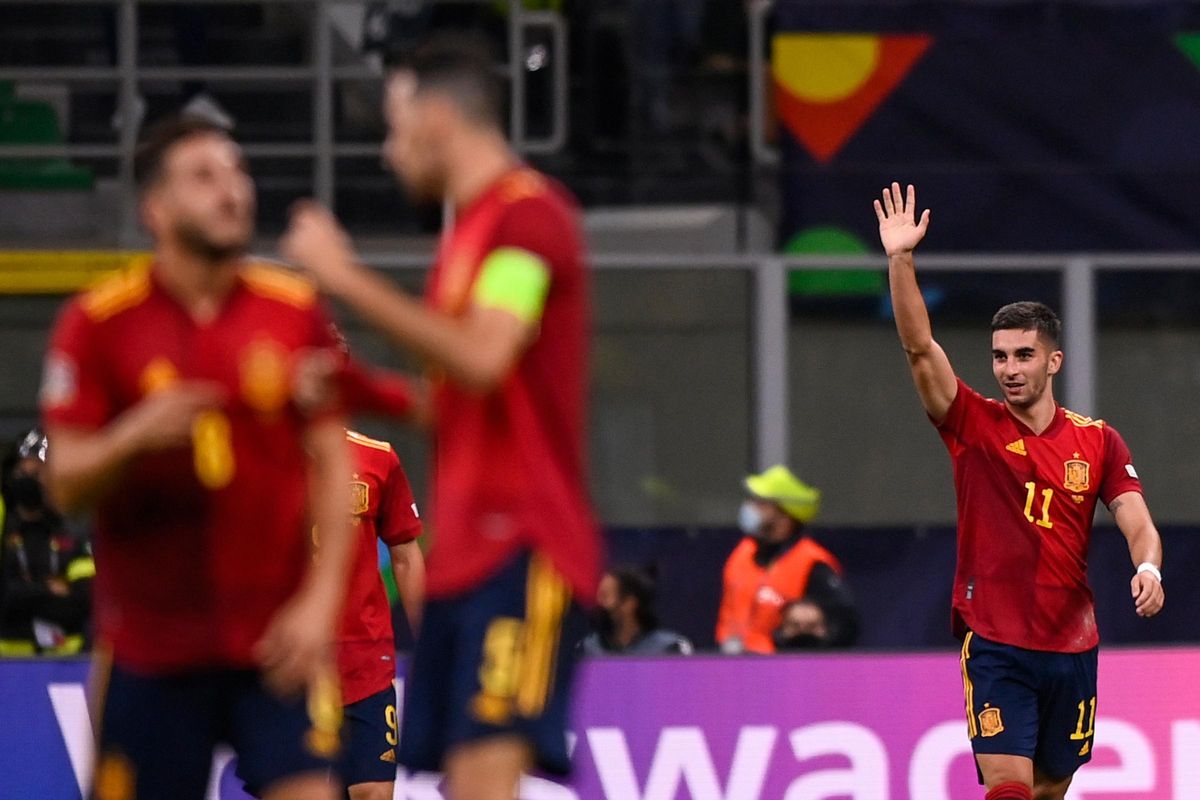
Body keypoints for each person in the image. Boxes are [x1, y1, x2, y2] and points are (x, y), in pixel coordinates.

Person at [281, 36, 602, 800]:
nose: (390, 152)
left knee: (488, 780)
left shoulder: (529, 219)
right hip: (465, 553)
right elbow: (453, 398)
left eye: (393, 128)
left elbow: (484, 356)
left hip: (522, 542)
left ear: (434, 118)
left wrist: (343, 278)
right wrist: (355, 385)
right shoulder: (466, 236)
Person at [40, 114, 354, 800]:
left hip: (275, 642)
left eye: (237, 173)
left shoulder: (293, 309)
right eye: (204, 178)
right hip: (151, 651)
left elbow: (334, 462)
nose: (233, 192)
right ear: (156, 210)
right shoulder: (96, 324)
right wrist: (131, 436)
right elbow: (64, 485)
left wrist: (321, 601)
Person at [874, 182, 1165, 800]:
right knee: (1009, 787)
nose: (1008, 368)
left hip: (1072, 644)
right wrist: (901, 259)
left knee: (1048, 791)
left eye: (1024, 355)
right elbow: (920, 348)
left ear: (1052, 362)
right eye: (1000, 355)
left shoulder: (1099, 441)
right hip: (997, 641)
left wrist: (1148, 567)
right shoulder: (972, 424)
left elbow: (1137, 519)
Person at [335, 429, 424, 800]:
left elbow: (405, 556)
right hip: (294, 666)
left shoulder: (378, 457)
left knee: (372, 790)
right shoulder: (261, 456)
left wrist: (429, 641)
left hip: (366, 660)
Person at [715, 465, 858, 654]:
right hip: (726, 664)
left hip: (778, 671)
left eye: (761, 503)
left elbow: (846, 626)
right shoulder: (742, 553)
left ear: (784, 516)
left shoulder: (812, 564)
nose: (750, 507)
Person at [0, 429, 94, 656]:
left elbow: (84, 599)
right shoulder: (4, 531)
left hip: (66, 662)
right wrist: (47, 588)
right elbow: (5, 598)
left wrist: (24, 592)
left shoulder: (73, 532)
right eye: (24, 472)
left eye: (38, 472)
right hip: (8, 663)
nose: (30, 480)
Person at [581, 566, 693, 656]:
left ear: (630, 604)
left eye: (605, 596)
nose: (598, 603)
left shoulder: (670, 648)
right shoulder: (587, 648)